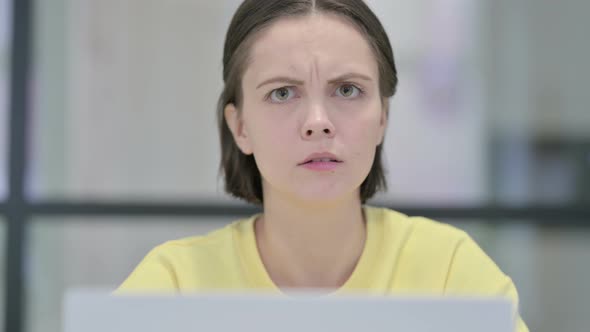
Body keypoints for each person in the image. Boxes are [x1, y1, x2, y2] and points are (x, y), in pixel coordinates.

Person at [117, 1, 528, 331]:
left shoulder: (449, 273)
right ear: (240, 126)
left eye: (347, 90)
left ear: (383, 116)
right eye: (282, 93)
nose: (318, 122)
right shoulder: (174, 286)